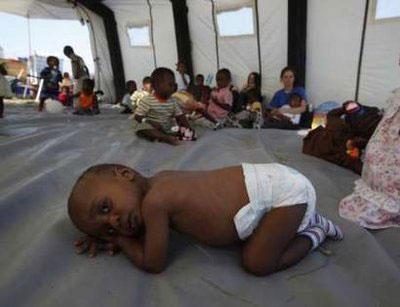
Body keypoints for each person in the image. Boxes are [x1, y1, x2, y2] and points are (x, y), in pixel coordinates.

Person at [68, 163, 343, 276]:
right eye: (106, 228)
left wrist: (120, 241)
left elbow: (153, 263)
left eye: (105, 207)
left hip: (284, 195)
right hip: (274, 179)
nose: (114, 221)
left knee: (257, 263)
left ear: (125, 174)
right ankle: (300, 222)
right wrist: (121, 234)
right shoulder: (161, 179)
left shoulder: (155, 203)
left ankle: (314, 231)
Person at [339, 89, 400, 228]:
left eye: (352, 105)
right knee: (374, 155)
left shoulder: (367, 112)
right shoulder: (350, 117)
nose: (351, 107)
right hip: (379, 137)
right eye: (348, 106)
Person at [133, 67, 193, 145]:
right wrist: (149, 121)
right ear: (156, 85)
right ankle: (165, 138)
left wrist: (189, 128)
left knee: (181, 129)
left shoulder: (173, 101)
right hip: (152, 126)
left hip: (167, 127)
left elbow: (180, 116)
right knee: (142, 128)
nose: (173, 87)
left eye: (174, 84)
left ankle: (166, 136)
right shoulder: (147, 100)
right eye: (170, 85)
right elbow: (137, 116)